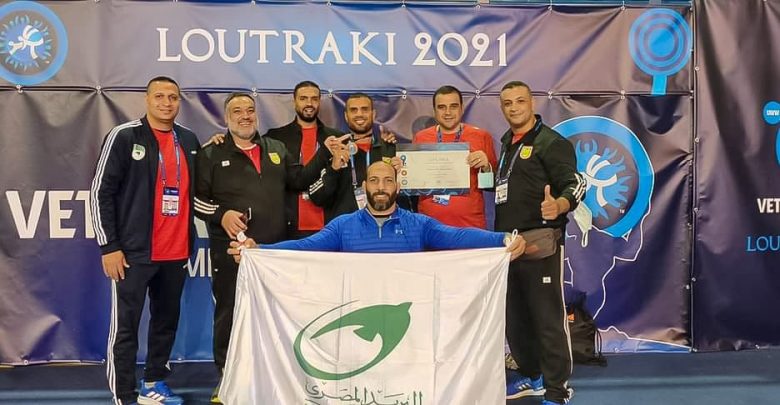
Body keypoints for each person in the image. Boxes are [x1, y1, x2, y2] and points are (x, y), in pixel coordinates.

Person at [193, 93, 339, 403]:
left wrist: (325, 153)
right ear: (226, 118)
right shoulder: (211, 153)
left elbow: (299, 180)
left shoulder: (275, 148)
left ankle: (278, 377)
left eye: (250, 110)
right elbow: (197, 201)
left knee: (277, 314)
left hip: (275, 253)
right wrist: (222, 214)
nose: (245, 116)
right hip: (234, 254)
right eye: (237, 111)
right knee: (230, 313)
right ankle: (227, 379)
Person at [91, 76, 200, 405]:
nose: (167, 103)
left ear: (179, 102)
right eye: (160, 96)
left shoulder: (189, 139)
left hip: (176, 253)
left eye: (173, 97)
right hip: (133, 254)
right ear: (147, 99)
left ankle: (153, 383)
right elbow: (100, 193)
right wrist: (109, 246)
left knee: (165, 324)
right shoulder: (125, 136)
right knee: (125, 328)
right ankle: (124, 396)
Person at [228, 161, 529, 260]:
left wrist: (503, 238)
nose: (381, 187)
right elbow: (305, 246)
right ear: (365, 187)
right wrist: (259, 251)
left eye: (387, 181)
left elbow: (458, 237)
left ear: (398, 186)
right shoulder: (343, 225)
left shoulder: (418, 224)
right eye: (374, 181)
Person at [495, 81, 586, 405]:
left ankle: (557, 390)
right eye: (508, 103)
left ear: (531, 103)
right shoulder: (507, 142)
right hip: (509, 246)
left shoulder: (550, 142)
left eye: (520, 101)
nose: (514, 107)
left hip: (541, 243)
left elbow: (576, 184)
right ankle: (533, 376)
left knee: (547, 320)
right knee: (516, 320)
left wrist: (559, 205)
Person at [412, 85, 497, 229]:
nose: (448, 112)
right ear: (434, 110)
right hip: (429, 226)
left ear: (462, 108)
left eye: (453, 106)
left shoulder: (481, 136)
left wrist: (486, 168)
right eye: (441, 107)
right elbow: (413, 181)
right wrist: (402, 170)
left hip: (470, 225)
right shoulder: (421, 138)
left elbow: (491, 185)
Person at [265, 81, 342, 239]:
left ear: (319, 102)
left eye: (314, 99)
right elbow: (246, 144)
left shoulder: (336, 138)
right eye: (303, 98)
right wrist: (221, 140)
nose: (309, 103)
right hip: (289, 227)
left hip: (329, 226)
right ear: (294, 101)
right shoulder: (275, 138)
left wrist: (387, 143)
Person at [308, 93, 398, 221]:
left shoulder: (389, 149)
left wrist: (400, 174)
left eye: (364, 109)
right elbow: (316, 197)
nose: (359, 114)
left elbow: (406, 194)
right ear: (346, 116)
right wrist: (334, 168)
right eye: (354, 110)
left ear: (373, 114)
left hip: (382, 226)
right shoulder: (334, 150)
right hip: (344, 229)